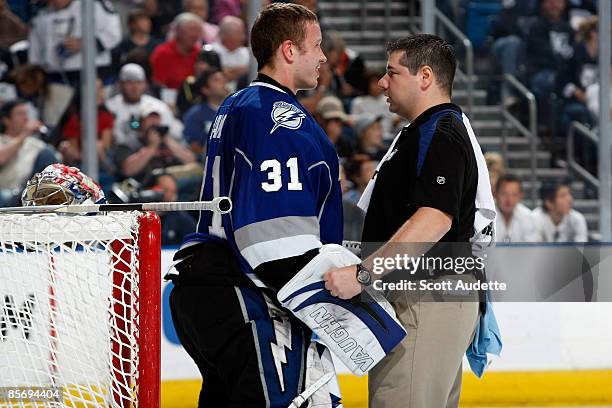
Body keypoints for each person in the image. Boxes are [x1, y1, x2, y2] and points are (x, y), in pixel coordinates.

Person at [168, 3, 342, 406]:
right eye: (316, 46)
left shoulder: (238, 104)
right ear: (288, 50)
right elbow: (272, 233)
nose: (322, 57)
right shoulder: (280, 116)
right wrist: (320, 298)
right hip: (246, 290)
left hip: (204, 281)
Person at [324, 35, 494, 408]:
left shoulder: (441, 132)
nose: (382, 82)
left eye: (391, 72)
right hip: (425, 301)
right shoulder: (423, 132)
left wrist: (363, 274)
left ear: (425, 76)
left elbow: (434, 219)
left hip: (426, 300)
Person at [28, 0, 122, 84]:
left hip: (92, 73)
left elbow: (113, 34)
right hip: (54, 77)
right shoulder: (41, 11)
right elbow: (35, 48)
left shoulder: (94, 4)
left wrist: (84, 44)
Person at [105, 63, 182, 150]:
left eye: (138, 82)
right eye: (129, 82)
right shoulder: (109, 107)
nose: (134, 87)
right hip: (119, 153)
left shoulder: (159, 106)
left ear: (145, 84)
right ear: (120, 84)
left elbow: (173, 133)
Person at [0, 99, 58, 206]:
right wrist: (24, 135)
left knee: (48, 152)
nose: (26, 118)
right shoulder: (2, 139)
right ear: (6, 120)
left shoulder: (35, 144)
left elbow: (55, 166)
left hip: (29, 191)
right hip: (5, 193)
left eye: (26, 114)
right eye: (20, 114)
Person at [150, 12, 203, 90]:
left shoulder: (200, 54)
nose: (195, 35)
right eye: (191, 29)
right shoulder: (162, 53)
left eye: (197, 31)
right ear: (178, 31)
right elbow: (158, 84)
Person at [182, 67, 228, 156]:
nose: (223, 82)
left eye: (224, 79)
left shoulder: (238, 111)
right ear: (206, 90)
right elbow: (194, 146)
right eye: (216, 80)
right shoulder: (195, 114)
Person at [494, 174, 537, 243]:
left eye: (514, 195)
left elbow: (530, 248)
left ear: (520, 195)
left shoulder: (528, 216)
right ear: (495, 193)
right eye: (504, 194)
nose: (509, 200)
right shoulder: (485, 216)